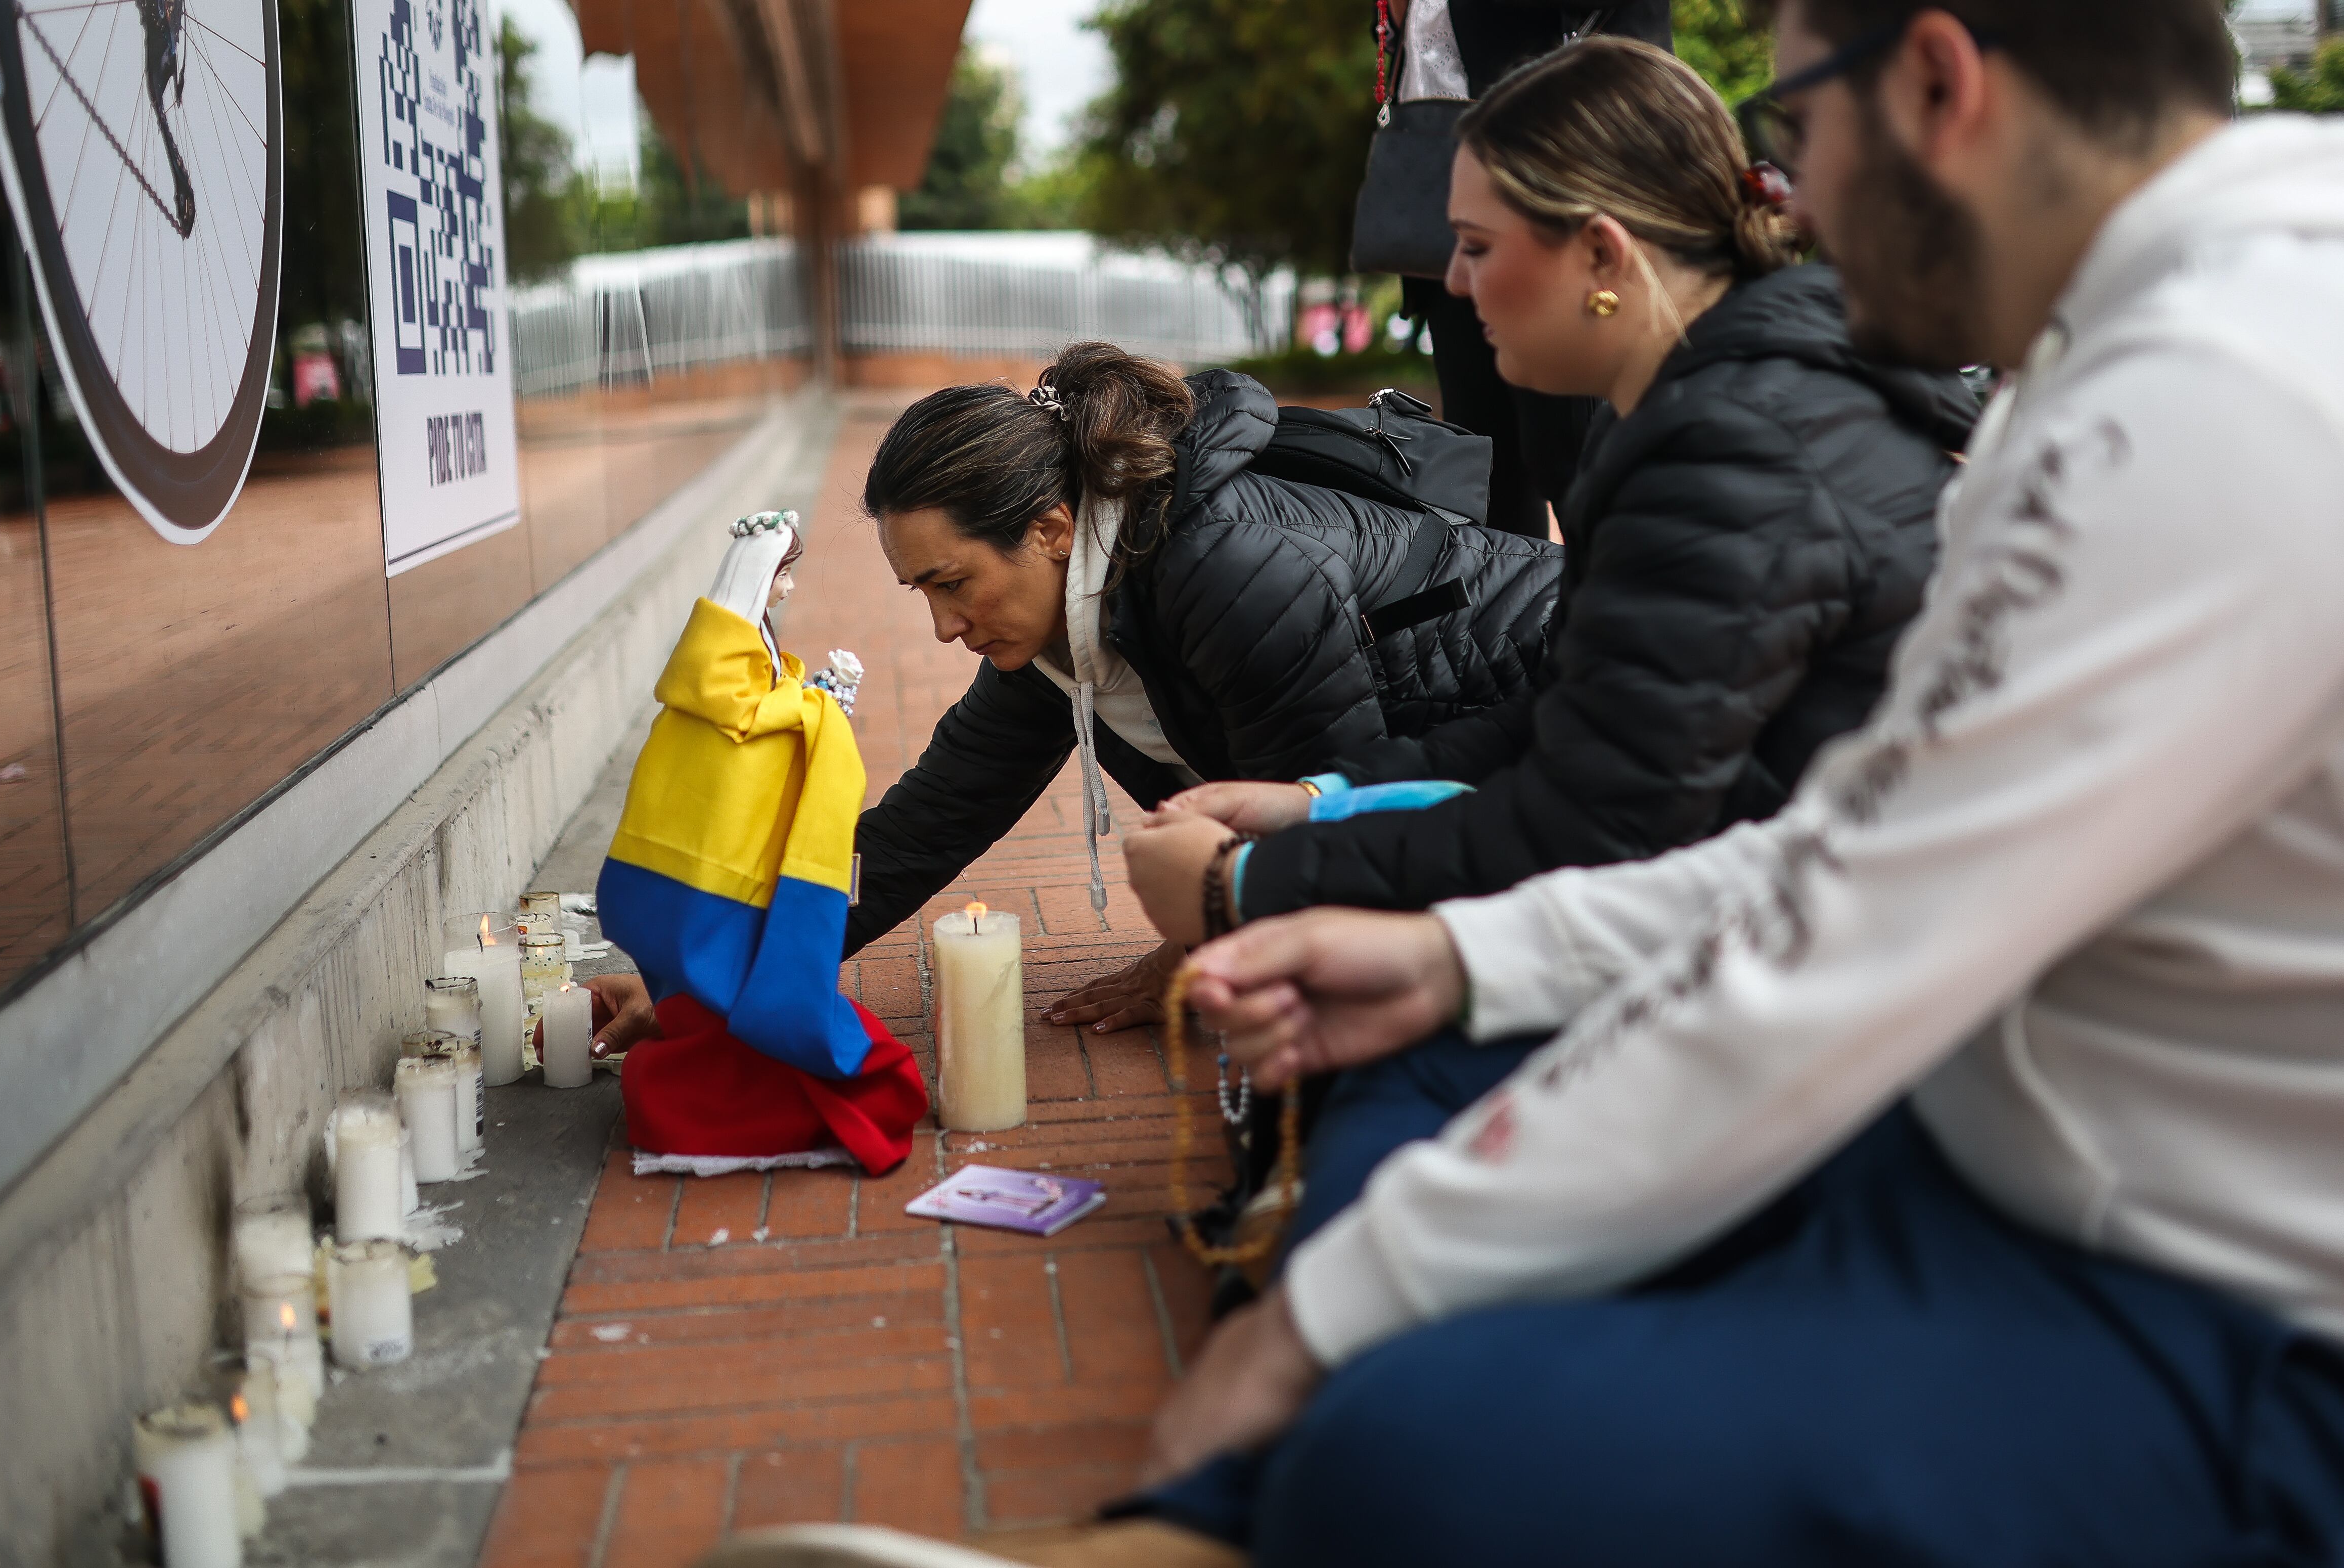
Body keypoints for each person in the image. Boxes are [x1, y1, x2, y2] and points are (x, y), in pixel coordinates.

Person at [702, 0, 2344, 1563]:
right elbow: (1846, 860)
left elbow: (1831, 933)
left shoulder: (2211, 399)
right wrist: (1446, 952)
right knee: (1406, 1195)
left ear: (1934, 83)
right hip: (1997, 1159)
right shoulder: (2140, 359)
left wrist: (1331, 1296)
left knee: (1399, 1434)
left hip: (2199, 1300)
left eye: (1792, 119)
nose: (1784, 190)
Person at [1122, 37, 1975, 946]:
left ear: (1603, 256)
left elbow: (1598, 823)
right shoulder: (1686, 408)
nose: (1452, 280)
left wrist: (1247, 885)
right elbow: (1579, 712)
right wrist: (1320, 800)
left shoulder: (1733, 448)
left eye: (1476, 246)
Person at [585, 343, 1566, 1051]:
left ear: (1053, 528)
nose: (942, 625)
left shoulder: (1221, 569)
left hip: (1567, 721)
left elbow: (1334, 822)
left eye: (952, 581)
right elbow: (926, 825)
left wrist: (1206, 929)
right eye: (920, 591)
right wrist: (701, 987)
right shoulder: (1066, 617)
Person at [1377, 0, 1675, 536]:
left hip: (1557, 180)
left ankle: (1639, 607)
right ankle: (1522, 617)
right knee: (1483, 474)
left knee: (1574, 455)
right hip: (1444, 198)